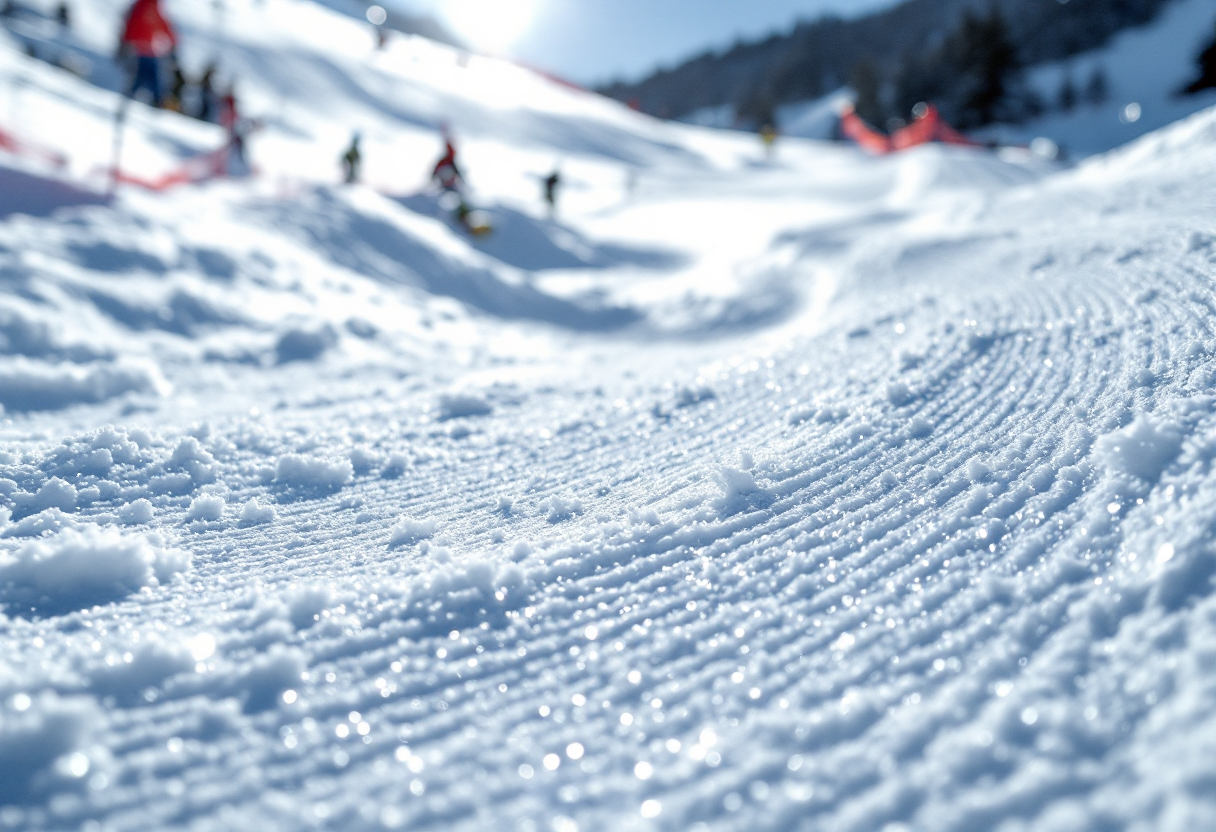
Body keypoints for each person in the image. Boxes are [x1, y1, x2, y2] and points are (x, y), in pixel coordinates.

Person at [120, 0, 177, 108]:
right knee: (150, 71)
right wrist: (173, 40)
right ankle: (156, 99)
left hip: (141, 46)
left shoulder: (142, 5)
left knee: (143, 72)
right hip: (143, 46)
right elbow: (161, 23)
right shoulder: (149, 6)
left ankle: (134, 93)